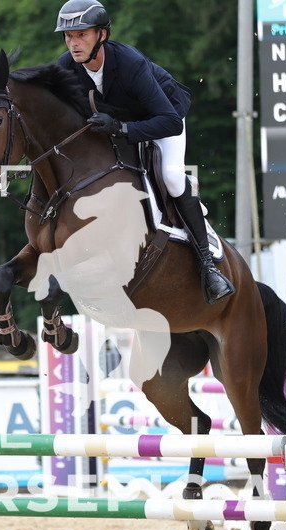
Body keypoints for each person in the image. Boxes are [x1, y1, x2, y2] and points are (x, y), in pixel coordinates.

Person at [54, 0, 235, 304]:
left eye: (82, 34)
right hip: (117, 123)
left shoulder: (129, 64)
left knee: (173, 177)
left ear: (102, 35)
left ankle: (207, 265)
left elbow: (170, 122)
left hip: (163, 117)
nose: (73, 43)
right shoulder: (65, 67)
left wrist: (123, 130)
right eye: (68, 36)